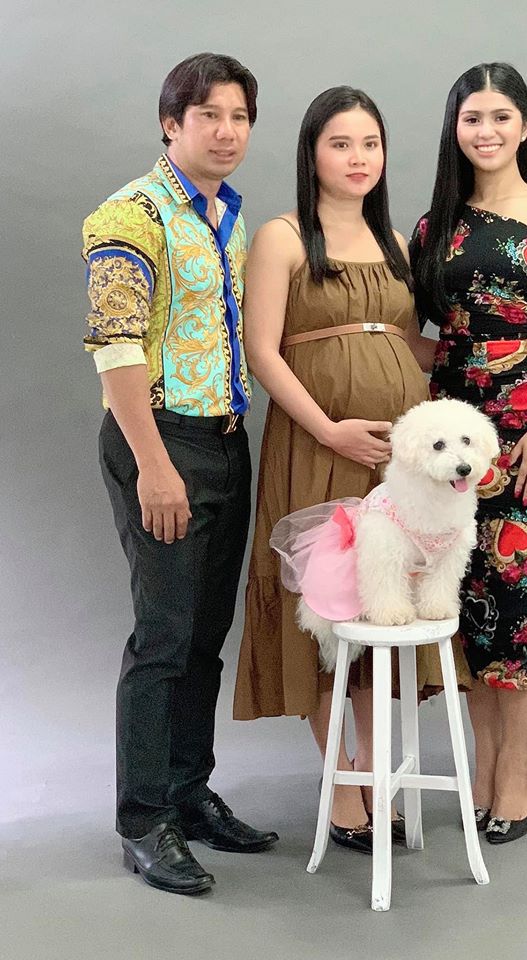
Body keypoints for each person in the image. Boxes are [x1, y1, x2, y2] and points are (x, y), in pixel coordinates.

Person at [232, 86, 471, 852]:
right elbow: (262, 350)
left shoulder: (394, 240)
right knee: (331, 603)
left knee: (383, 605)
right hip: (317, 444)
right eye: (340, 143)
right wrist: (328, 429)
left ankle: (372, 774)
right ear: (311, 154)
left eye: (370, 143)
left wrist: (503, 352)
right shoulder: (280, 237)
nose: (358, 157)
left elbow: (406, 343)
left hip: (396, 464)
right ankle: (341, 788)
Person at [82, 52, 278, 895]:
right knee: (162, 637)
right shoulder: (130, 215)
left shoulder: (228, 216)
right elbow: (115, 348)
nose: (226, 132)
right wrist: (154, 467)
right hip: (159, 441)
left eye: (239, 117)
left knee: (204, 635)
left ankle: (189, 793)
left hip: (225, 439)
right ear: (171, 123)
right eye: (208, 116)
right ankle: (143, 819)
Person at [409, 62, 527, 843]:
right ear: (453, 128)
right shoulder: (431, 227)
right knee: (466, 608)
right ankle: (482, 765)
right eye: (470, 118)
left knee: (519, 606)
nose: (485, 131)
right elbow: (420, 339)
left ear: (524, 125)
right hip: (451, 442)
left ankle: (513, 767)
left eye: (499, 116)